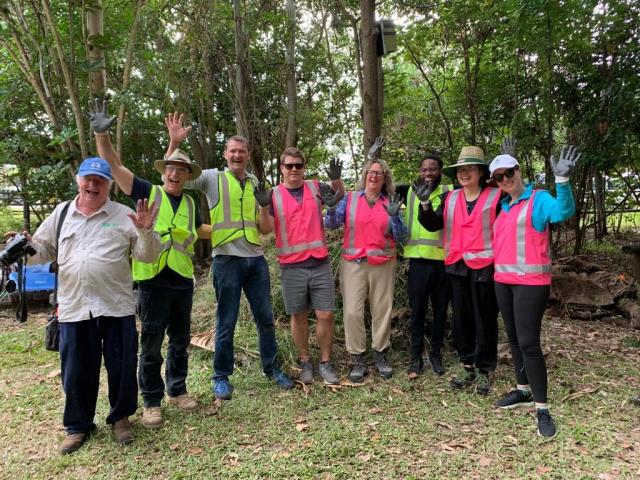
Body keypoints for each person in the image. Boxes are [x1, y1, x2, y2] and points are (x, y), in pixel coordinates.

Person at [10, 157, 161, 454]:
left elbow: (147, 257)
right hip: (75, 305)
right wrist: (26, 245)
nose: (93, 185)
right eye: (88, 179)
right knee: (77, 369)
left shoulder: (123, 214)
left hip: (115, 304)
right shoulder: (62, 213)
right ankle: (78, 426)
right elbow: (42, 252)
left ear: (109, 185)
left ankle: (121, 419)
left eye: (100, 180)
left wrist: (145, 231)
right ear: (78, 180)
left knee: (121, 365)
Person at [89, 102, 211, 429]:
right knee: (152, 344)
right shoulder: (148, 191)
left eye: (181, 170)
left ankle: (177, 389)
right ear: (164, 172)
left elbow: (197, 233)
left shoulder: (189, 201)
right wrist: (102, 133)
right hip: (152, 281)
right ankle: (152, 401)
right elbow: (113, 165)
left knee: (180, 341)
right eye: (170, 168)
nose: (174, 173)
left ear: (187, 176)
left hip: (183, 280)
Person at [165, 113, 293, 400]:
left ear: (248, 155)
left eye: (242, 151)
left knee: (266, 319)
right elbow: (175, 175)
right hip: (227, 261)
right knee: (226, 320)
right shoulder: (212, 178)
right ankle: (220, 376)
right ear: (225, 155)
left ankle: (271, 369)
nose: (237, 155)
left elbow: (266, 229)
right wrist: (174, 142)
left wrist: (263, 207)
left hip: (256, 261)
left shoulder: (255, 182)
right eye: (232, 151)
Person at [490, 144, 581, 438]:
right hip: (503, 282)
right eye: (498, 177)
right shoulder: (502, 207)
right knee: (515, 340)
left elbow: (564, 211)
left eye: (508, 173)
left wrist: (563, 181)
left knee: (529, 343)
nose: (505, 180)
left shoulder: (538, 200)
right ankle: (523, 390)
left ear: (519, 171)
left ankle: (542, 408)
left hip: (531, 284)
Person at [417, 146, 500, 395]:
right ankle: (467, 365)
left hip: (485, 266)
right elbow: (433, 225)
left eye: (470, 169)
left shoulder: (496, 196)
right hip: (456, 266)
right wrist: (424, 203)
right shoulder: (450, 198)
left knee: (485, 319)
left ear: (481, 172)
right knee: (462, 318)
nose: (464, 173)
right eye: (461, 170)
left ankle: (485, 369)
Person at [258, 147, 344, 385]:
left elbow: (338, 199)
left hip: (319, 262)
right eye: (289, 166)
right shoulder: (272, 194)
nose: (294, 169)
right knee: (298, 315)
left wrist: (336, 181)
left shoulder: (316, 187)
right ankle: (305, 361)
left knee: (325, 313)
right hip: (291, 266)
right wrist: (263, 207)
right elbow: (265, 229)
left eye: (298, 165)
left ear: (304, 167)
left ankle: (325, 362)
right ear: (281, 169)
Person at [326, 155, 407, 382]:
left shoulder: (390, 201)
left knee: (382, 310)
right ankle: (358, 357)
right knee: (352, 311)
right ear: (364, 176)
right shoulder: (351, 199)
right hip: (353, 263)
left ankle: (381, 354)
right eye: (370, 172)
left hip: (383, 264)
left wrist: (396, 219)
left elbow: (402, 237)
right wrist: (331, 208)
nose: (373, 176)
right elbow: (331, 224)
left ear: (384, 179)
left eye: (378, 173)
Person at [403, 153, 452, 376]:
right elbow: (376, 183)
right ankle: (415, 357)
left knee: (440, 312)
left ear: (440, 171)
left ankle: (436, 355)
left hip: (443, 262)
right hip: (418, 262)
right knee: (418, 312)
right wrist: (372, 157)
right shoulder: (409, 191)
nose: (428, 173)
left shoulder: (449, 192)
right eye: (424, 170)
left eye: (432, 169)